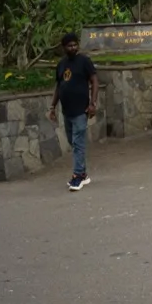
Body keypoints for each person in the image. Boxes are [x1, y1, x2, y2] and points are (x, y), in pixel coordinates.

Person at [48, 32, 98, 191]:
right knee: (73, 141)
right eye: (70, 45)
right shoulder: (61, 64)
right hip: (67, 111)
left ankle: (77, 176)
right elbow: (59, 86)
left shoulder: (84, 61)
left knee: (78, 142)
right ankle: (83, 174)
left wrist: (93, 103)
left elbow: (94, 81)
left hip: (81, 110)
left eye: (75, 45)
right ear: (64, 47)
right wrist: (52, 107)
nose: (73, 48)